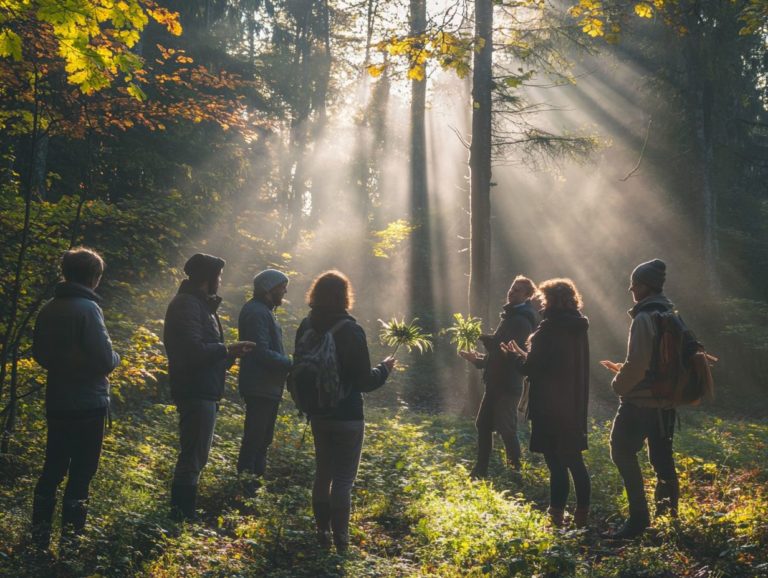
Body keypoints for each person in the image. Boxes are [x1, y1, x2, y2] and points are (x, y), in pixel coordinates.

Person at [295, 270, 395, 553]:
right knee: (343, 480)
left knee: (322, 473)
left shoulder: (306, 326)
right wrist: (384, 369)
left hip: (318, 413)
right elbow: (364, 381)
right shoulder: (350, 330)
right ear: (344, 296)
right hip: (348, 414)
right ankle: (341, 542)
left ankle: (322, 533)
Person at [31, 247, 120, 549]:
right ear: (94, 277)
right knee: (82, 472)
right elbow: (106, 359)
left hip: (57, 399)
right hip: (88, 403)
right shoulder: (88, 309)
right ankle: (71, 541)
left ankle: (39, 536)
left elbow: (40, 354)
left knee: (52, 468)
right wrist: (116, 357)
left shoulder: (49, 308)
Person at [163, 253, 255, 520]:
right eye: (219, 276)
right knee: (192, 458)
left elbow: (206, 353)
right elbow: (191, 351)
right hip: (195, 390)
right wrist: (226, 349)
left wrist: (229, 354)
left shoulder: (202, 307)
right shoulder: (188, 306)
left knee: (196, 457)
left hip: (204, 389)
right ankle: (181, 519)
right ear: (208, 278)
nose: (221, 281)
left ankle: (182, 517)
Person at [600, 259, 678, 539]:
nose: (630, 288)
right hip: (665, 402)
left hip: (640, 402)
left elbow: (638, 363)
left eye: (634, 283)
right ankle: (668, 520)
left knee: (620, 451)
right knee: (662, 460)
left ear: (644, 286)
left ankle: (638, 519)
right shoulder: (670, 314)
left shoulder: (645, 317)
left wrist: (618, 384)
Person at [505, 278, 591, 529]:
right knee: (574, 461)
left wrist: (514, 357)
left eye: (544, 298)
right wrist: (526, 355)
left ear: (552, 300)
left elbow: (532, 368)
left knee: (556, 463)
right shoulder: (578, 327)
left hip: (548, 406)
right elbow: (554, 363)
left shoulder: (549, 329)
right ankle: (582, 515)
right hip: (573, 405)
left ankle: (555, 516)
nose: (541, 303)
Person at [459, 275, 539, 478]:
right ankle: (480, 470)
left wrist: (486, 340)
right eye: (512, 288)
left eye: (518, 290)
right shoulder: (511, 316)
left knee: (506, 428)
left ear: (528, 296)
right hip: (495, 382)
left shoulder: (521, 321)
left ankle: (515, 472)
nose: (512, 292)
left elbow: (508, 352)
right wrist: (477, 360)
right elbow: (497, 355)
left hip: (508, 384)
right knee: (483, 425)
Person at [236, 269, 291, 480]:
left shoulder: (265, 311)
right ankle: (245, 488)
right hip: (259, 386)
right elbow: (260, 352)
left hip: (267, 387)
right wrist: (291, 363)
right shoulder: (256, 312)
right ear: (269, 288)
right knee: (255, 439)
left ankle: (254, 487)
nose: (285, 291)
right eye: (282, 286)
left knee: (263, 439)